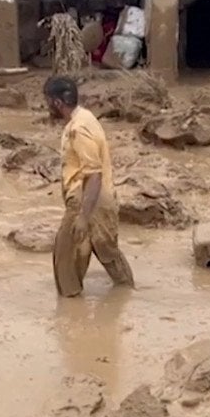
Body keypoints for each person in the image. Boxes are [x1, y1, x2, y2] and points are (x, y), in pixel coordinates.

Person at [44, 75, 134, 297]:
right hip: (101, 198)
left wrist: (83, 217)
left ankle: (70, 311)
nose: (46, 107)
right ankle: (125, 295)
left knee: (65, 257)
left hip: (86, 199)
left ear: (56, 102)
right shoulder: (85, 118)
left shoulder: (78, 129)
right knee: (107, 251)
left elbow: (93, 175)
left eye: (47, 101)